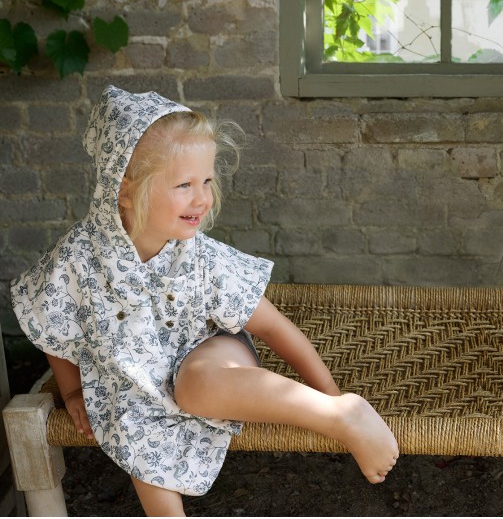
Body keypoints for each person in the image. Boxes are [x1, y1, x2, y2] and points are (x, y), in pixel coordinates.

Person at [11, 85, 398, 516]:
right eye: (184, 184)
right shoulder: (77, 258)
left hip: (212, 351)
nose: (202, 199)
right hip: (135, 382)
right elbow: (52, 324)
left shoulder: (202, 259)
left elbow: (273, 327)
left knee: (195, 386)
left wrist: (331, 395)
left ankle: (339, 414)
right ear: (124, 188)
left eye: (207, 181)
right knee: (128, 415)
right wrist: (71, 391)